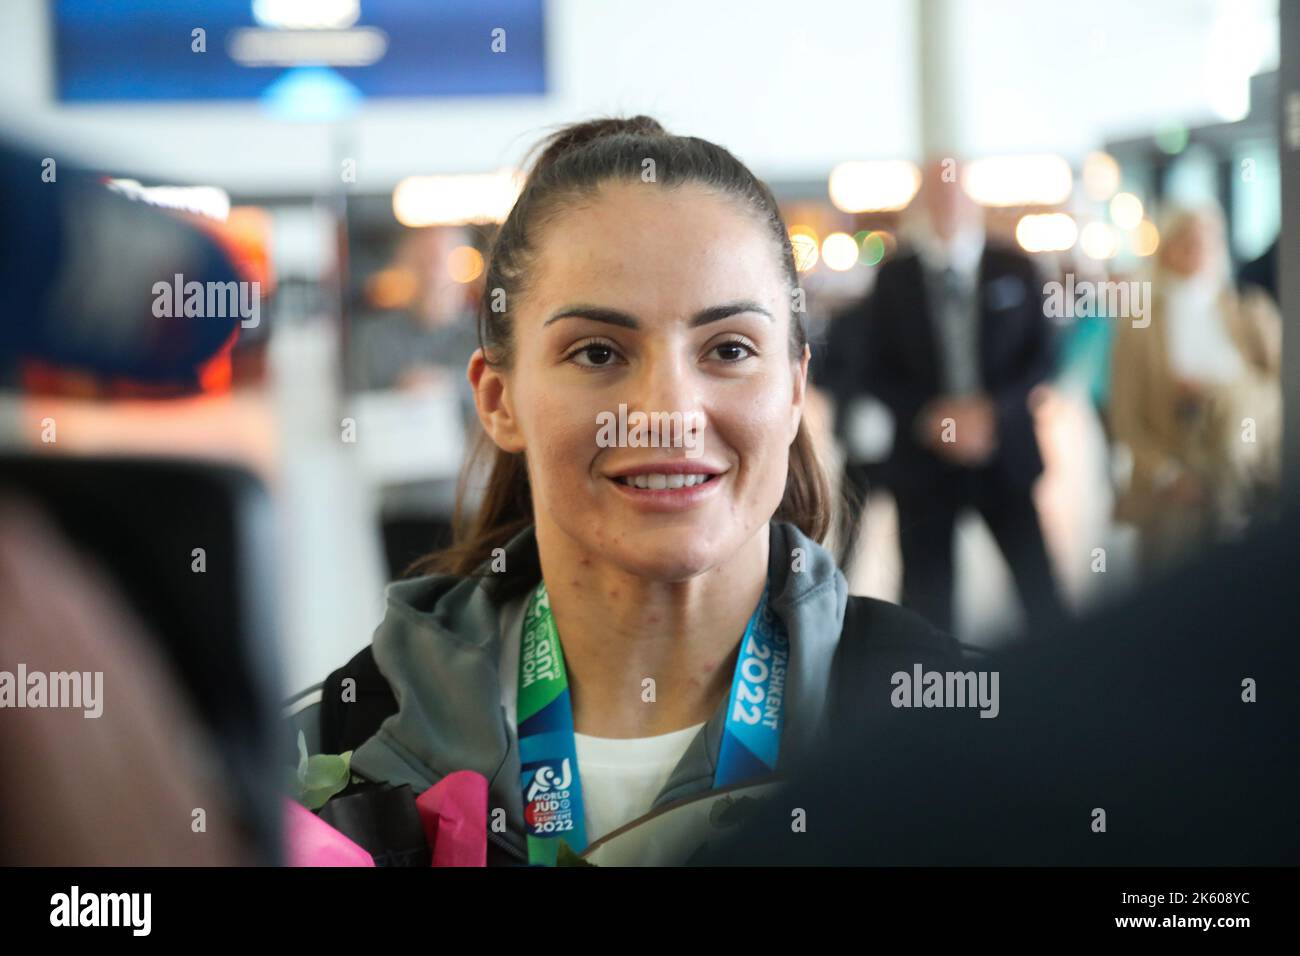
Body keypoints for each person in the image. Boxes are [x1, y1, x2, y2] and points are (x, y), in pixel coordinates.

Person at [287, 116, 961, 866]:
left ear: (796, 388)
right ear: (499, 399)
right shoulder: (335, 753)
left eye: (729, 349)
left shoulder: (955, 735)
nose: (669, 416)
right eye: (598, 352)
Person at [827, 159, 1064, 636]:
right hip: (924, 464)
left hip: (1006, 453)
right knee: (926, 601)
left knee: (1040, 591)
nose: (946, 205)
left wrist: (990, 413)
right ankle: (930, 698)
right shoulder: (895, 278)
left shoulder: (1016, 267)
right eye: (935, 195)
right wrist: (927, 417)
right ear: (920, 206)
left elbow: (1045, 355)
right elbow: (871, 367)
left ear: (971, 200)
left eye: (954, 192)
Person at [1110, 205, 1281, 575]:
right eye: (1186, 242)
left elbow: (1278, 386)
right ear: (1166, 249)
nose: (1198, 251)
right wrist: (1169, 475)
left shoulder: (1249, 310)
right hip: (1175, 482)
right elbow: (1125, 416)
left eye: (1207, 242)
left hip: (1246, 479)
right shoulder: (1139, 322)